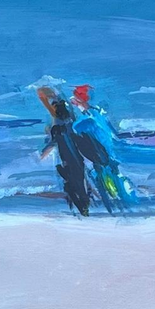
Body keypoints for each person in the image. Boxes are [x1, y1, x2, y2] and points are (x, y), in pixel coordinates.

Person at [69, 84, 137, 211]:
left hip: (100, 153)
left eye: (75, 100)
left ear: (78, 101)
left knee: (105, 177)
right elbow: (113, 133)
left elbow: (80, 133)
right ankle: (124, 201)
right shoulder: (99, 113)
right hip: (109, 151)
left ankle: (117, 202)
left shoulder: (84, 121)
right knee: (113, 175)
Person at [38, 86, 91, 216]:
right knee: (79, 179)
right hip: (75, 156)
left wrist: (43, 153)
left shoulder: (58, 125)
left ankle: (82, 207)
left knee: (71, 182)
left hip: (67, 157)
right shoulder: (69, 122)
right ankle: (84, 206)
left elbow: (54, 140)